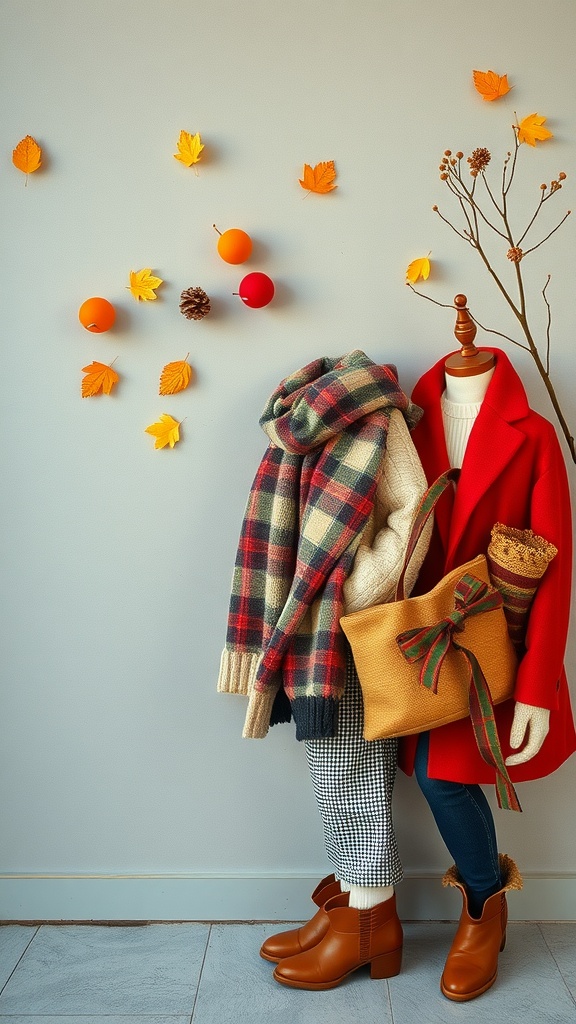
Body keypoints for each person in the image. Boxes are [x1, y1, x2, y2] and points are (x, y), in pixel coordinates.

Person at [218, 349, 432, 989]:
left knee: (355, 782)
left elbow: (414, 512)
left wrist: (351, 595)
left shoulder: (379, 421)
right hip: (312, 631)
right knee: (335, 777)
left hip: (349, 635)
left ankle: (369, 927)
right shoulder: (291, 429)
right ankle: (351, 906)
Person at [399, 300, 576, 1001]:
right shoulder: (404, 429)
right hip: (407, 638)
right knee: (397, 769)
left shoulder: (530, 436)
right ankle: (367, 907)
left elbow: (557, 561)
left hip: (493, 645)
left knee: (441, 773)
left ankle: (483, 906)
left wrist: (538, 681)